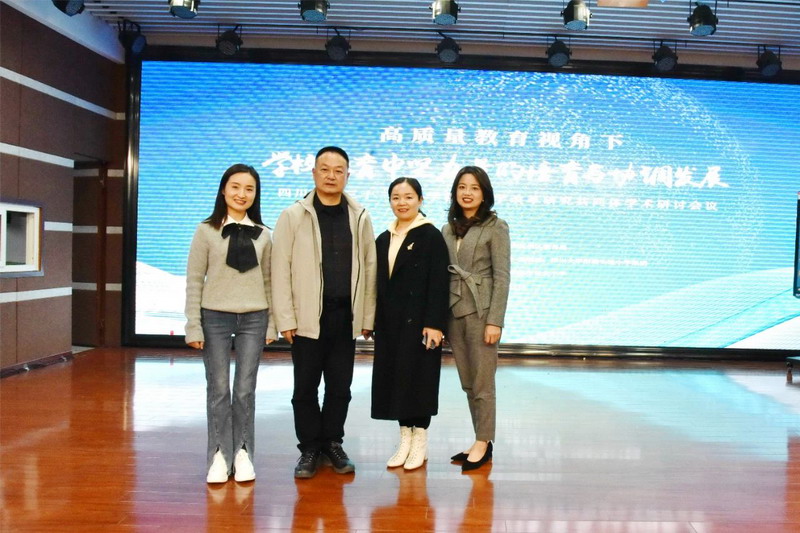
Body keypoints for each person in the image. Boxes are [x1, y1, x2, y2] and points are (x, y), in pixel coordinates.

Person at [271, 146, 377, 479]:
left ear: (348, 175)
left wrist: (367, 317)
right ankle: (309, 448)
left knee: (340, 387)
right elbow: (279, 269)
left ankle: (332, 442)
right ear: (314, 173)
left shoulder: (360, 216)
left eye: (338, 170)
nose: (331, 176)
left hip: (345, 317)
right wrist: (285, 318)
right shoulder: (293, 216)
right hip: (306, 318)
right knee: (304, 389)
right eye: (325, 169)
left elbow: (370, 268)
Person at [185, 163, 278, 484]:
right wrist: (193, 325)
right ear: (223, 189)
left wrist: (272, 324)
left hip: (255, 317)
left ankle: (243, 452)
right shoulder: (205, 231)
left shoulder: (264, 234)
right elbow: (194, 280)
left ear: (256, 195)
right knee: (219, 389)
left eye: (249, 189)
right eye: (235, 187)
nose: (242, 194)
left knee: (244, 390)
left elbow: (269, 281)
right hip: (215, 318)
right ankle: (219, 455)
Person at [371, 178, 449, 470]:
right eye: (396, 197)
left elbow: (439, 282)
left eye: (408, 196)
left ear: (420, 200)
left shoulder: (430, 235)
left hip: (420, 324)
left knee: (420, 381)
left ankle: (420, 441)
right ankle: (405, 438)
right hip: (390, 324)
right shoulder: (383, 238)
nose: (401, 202)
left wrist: (435, 323)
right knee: (397, 380)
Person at [442, 166, 510, 472]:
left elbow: (502, 277)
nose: (467, 193)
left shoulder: (496, 227)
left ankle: (484, 441)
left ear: (484, 194)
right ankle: (479, 438)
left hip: (482, 314)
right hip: (453, 312)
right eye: (462, 187)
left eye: (474, 188)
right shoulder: (447, 228)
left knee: (483, 382)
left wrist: (496, 320)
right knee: (468, 383)